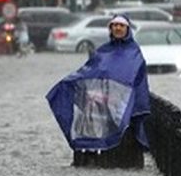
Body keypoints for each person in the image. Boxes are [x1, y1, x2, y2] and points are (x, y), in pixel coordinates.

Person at [46, 14, 150, 153]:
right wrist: (70, 82)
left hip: (124, 104)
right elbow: (89, 71)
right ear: (110, 28)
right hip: (102, 102)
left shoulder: (134, 51)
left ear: (127, 29)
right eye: (114, 25)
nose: (118, 28)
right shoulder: (102, 51)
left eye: (121, 25)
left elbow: (136, 76)